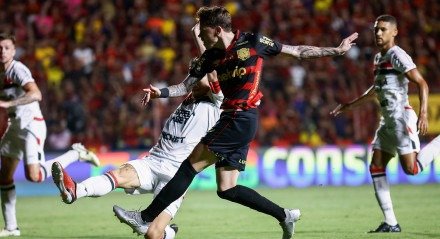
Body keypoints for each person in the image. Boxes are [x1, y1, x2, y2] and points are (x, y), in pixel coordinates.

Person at [113, 6, 358, 239]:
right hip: (235, 119)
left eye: (204, 31)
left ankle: (145, 216)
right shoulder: (211, 56)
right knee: (227, 189)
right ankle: (283, 215)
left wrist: (336, 50)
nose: (201, 35)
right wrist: (160, 93)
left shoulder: (252, 42)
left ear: (217, 30)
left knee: (188, 168)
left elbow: (297, 51)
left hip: (239, 117)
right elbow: (185, 86)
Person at [52, 23, 223, 239]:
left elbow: (209, 62)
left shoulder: (218, 102)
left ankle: (166, 233)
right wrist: (159, 92)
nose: (195, 79)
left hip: (177, 173)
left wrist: (199, 37)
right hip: (153, 160)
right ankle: (75, 191)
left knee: (153, 235)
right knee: (117, 175)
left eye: (200, 76)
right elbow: (186, 82)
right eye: (194, 76)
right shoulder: (189, 97)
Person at [330, 15, 440, 233]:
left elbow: (421, 83)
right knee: (376, 166)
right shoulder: (379, 58)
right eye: (376, 30)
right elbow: (375, 90)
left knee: (412, 169)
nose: (378, 33)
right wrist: (349, 106)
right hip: (387, 122)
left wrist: (424, 113)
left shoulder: (397, 55)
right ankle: (391, 222)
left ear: (394, 32)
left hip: (400, 118)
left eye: (382, 29)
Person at [0, 33, 100, 237]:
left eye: (6, 47)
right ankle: (11, 228)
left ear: (14, 50)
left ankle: (76, 154)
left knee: (34, 176)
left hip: (31, 126)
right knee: (4, 176)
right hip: (14, 127)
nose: (2, 52)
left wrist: (9, 104)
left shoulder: (17, 69)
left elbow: (36, 94)